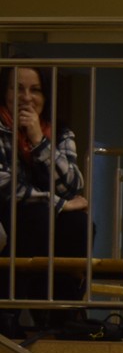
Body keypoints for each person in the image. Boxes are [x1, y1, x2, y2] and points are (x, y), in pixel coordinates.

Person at [0, 65, 89, 333]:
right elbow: (4, 185)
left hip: (42, 214)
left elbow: (73, 185)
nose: (27, 97)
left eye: (35, 90)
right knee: (38, 216)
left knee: (77, 224)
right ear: (5, 92)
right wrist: (59, 203)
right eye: (18, 88)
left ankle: (64, 313)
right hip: (8, 211)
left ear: (46, 95)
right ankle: (8, 311)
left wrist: (39, 139)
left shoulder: (59, 132)